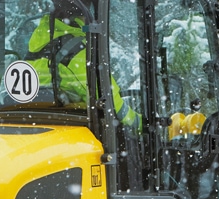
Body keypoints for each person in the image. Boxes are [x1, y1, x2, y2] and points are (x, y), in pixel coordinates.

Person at [25, 4, 142, 132]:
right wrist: (143, 125)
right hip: (72, 132)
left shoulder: (38, 47)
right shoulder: (76, 54)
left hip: (38, 125)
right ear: (86, 14)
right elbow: (112, 104)